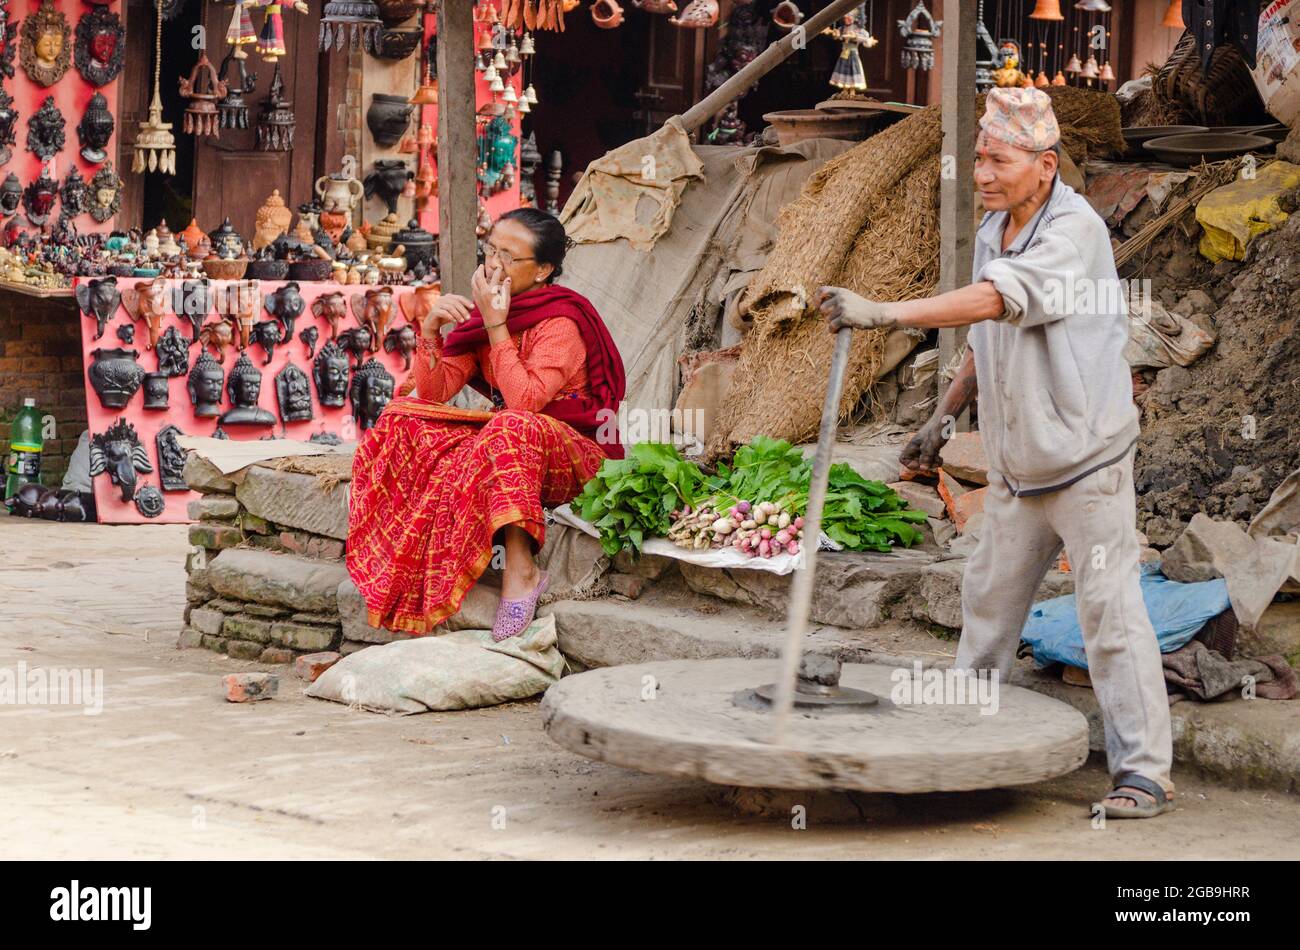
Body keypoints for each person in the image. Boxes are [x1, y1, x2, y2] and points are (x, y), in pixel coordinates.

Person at [815, 88, 1174, 819]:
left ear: (1044, 166)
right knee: (985, 612)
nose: (981, 171)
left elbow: (992, 302)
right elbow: (989, 334)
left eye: (997, 159)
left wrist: (883, 312)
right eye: (979, 157)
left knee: (1110, 614)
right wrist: (943, 417)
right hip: (1018, 469)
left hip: (1087, 463)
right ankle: (964, 752)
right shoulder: (995, 230)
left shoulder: (1073, 231)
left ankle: (1144, 773)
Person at [348, 208, 625, 641]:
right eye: (491, 250)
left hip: (576, 456)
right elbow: (435, 392)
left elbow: (525, 403)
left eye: (508, 257)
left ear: (544, 270)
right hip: (508, 442)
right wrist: (431, 330)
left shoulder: (560, 323)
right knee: (401, 418)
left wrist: (496, 325)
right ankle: (404, 557)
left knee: (509, 424)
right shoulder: (489, 313)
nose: (493, 264)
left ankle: (522, 573)